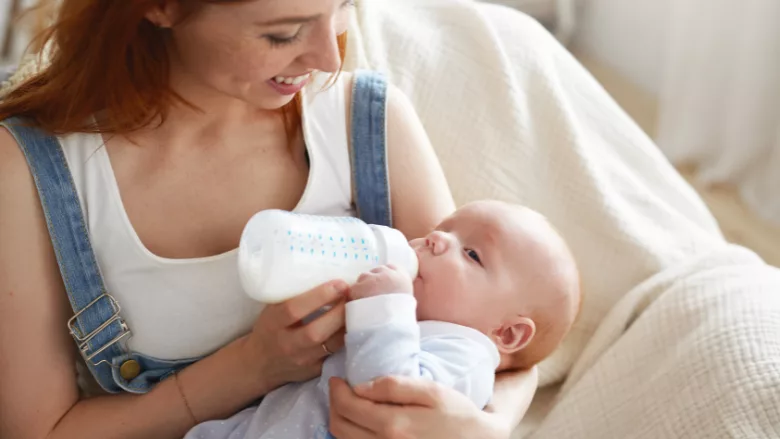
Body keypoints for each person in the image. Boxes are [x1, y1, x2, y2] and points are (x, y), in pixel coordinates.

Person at [0, 1, 537, 438]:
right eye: (283, 34)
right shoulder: (29, 171)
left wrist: (486, 426)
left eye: (345, 6)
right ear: (160, 7)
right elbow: (42, 431)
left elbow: (498, 333)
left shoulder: (364, 123)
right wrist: (253, 366)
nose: (329, 57)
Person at [184, 200, 581, 439]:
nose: (436, 240)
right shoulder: (409, 318)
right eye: (443, 230)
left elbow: (391, 388)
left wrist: (384, 305)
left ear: (507, 333)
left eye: (472, 254)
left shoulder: (468, 356)